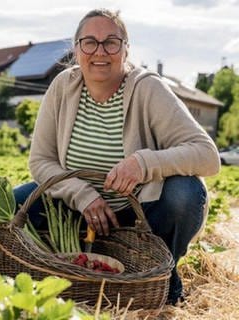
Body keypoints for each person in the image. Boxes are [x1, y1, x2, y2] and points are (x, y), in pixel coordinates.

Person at [13, 8, 220, 305]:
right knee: (12, 204)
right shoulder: (62, 87)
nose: (100, 51)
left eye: (111, 42)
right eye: (90, 42)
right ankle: (57, 268)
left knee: (185, 193)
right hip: (77, 211)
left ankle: (162, 271)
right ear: (77, 49)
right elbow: (40, 161)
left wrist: (143, 164)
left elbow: (207, 155)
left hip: (141, 216)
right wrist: (82, 195)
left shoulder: (148, 88)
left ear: (125, 50)